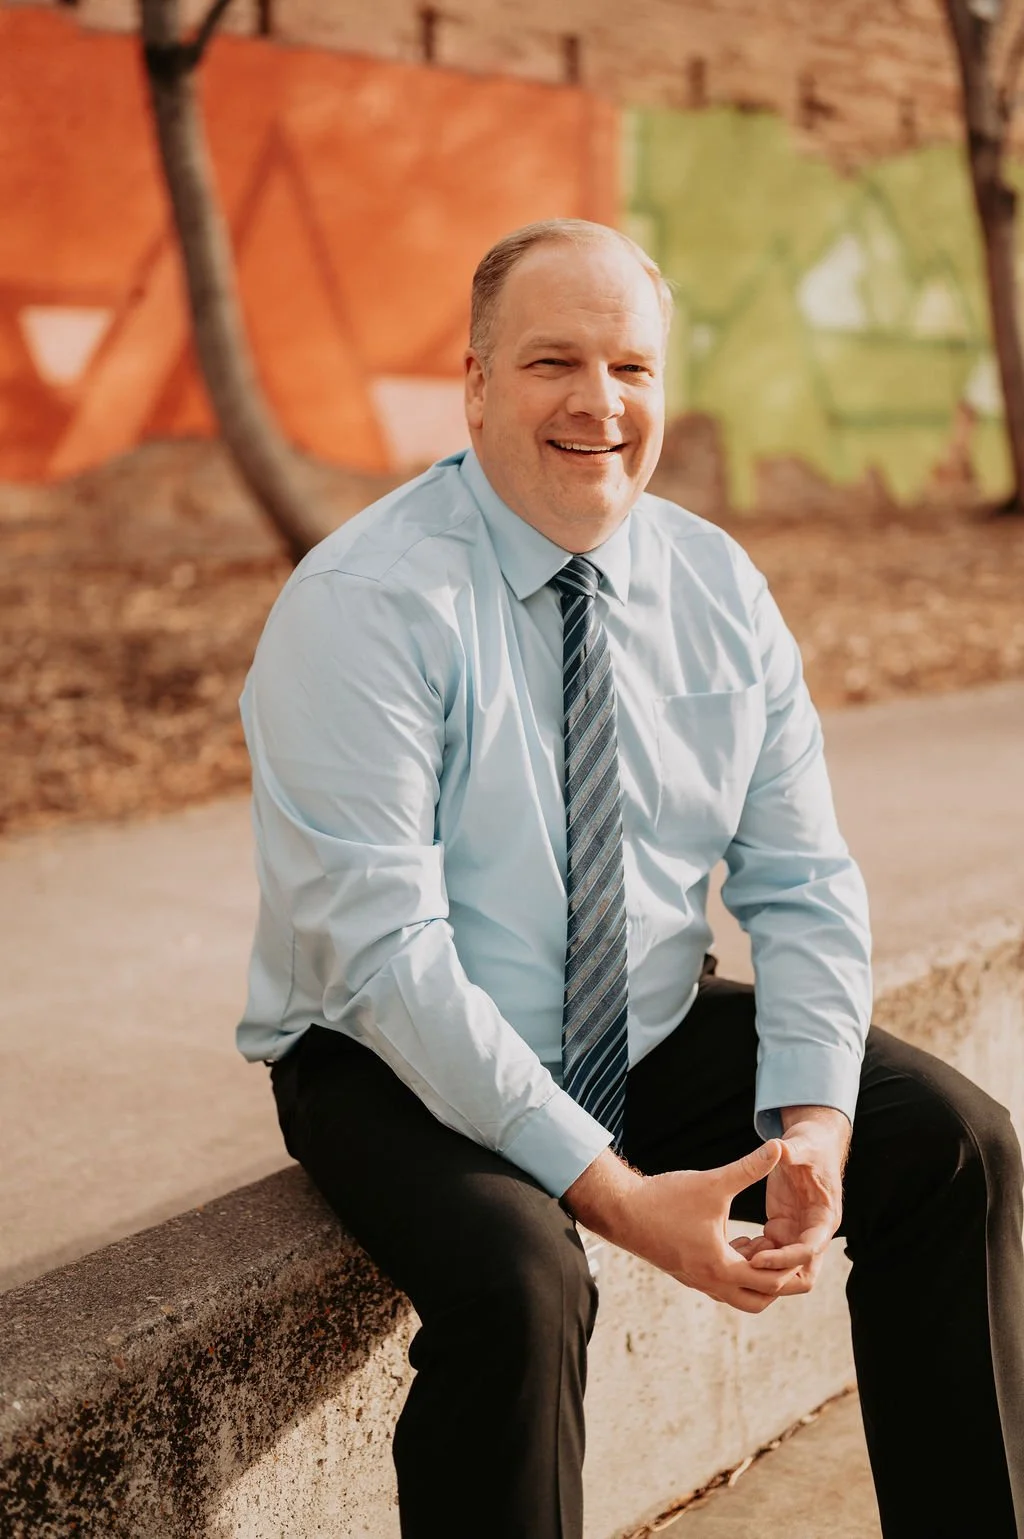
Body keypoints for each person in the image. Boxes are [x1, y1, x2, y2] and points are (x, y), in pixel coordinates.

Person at [237, 219, 1024, 1539]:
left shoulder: (716, 583)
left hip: (643, 1020)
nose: (600, 402)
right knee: (524, 1281)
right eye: (555, 362)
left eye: (633, 368)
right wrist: (612, 1192)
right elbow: (385, 953)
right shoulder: (362, 603)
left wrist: (816, 1121)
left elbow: (803, 878)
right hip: (390, 1050)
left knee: (959, 1149)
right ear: (476, 383)